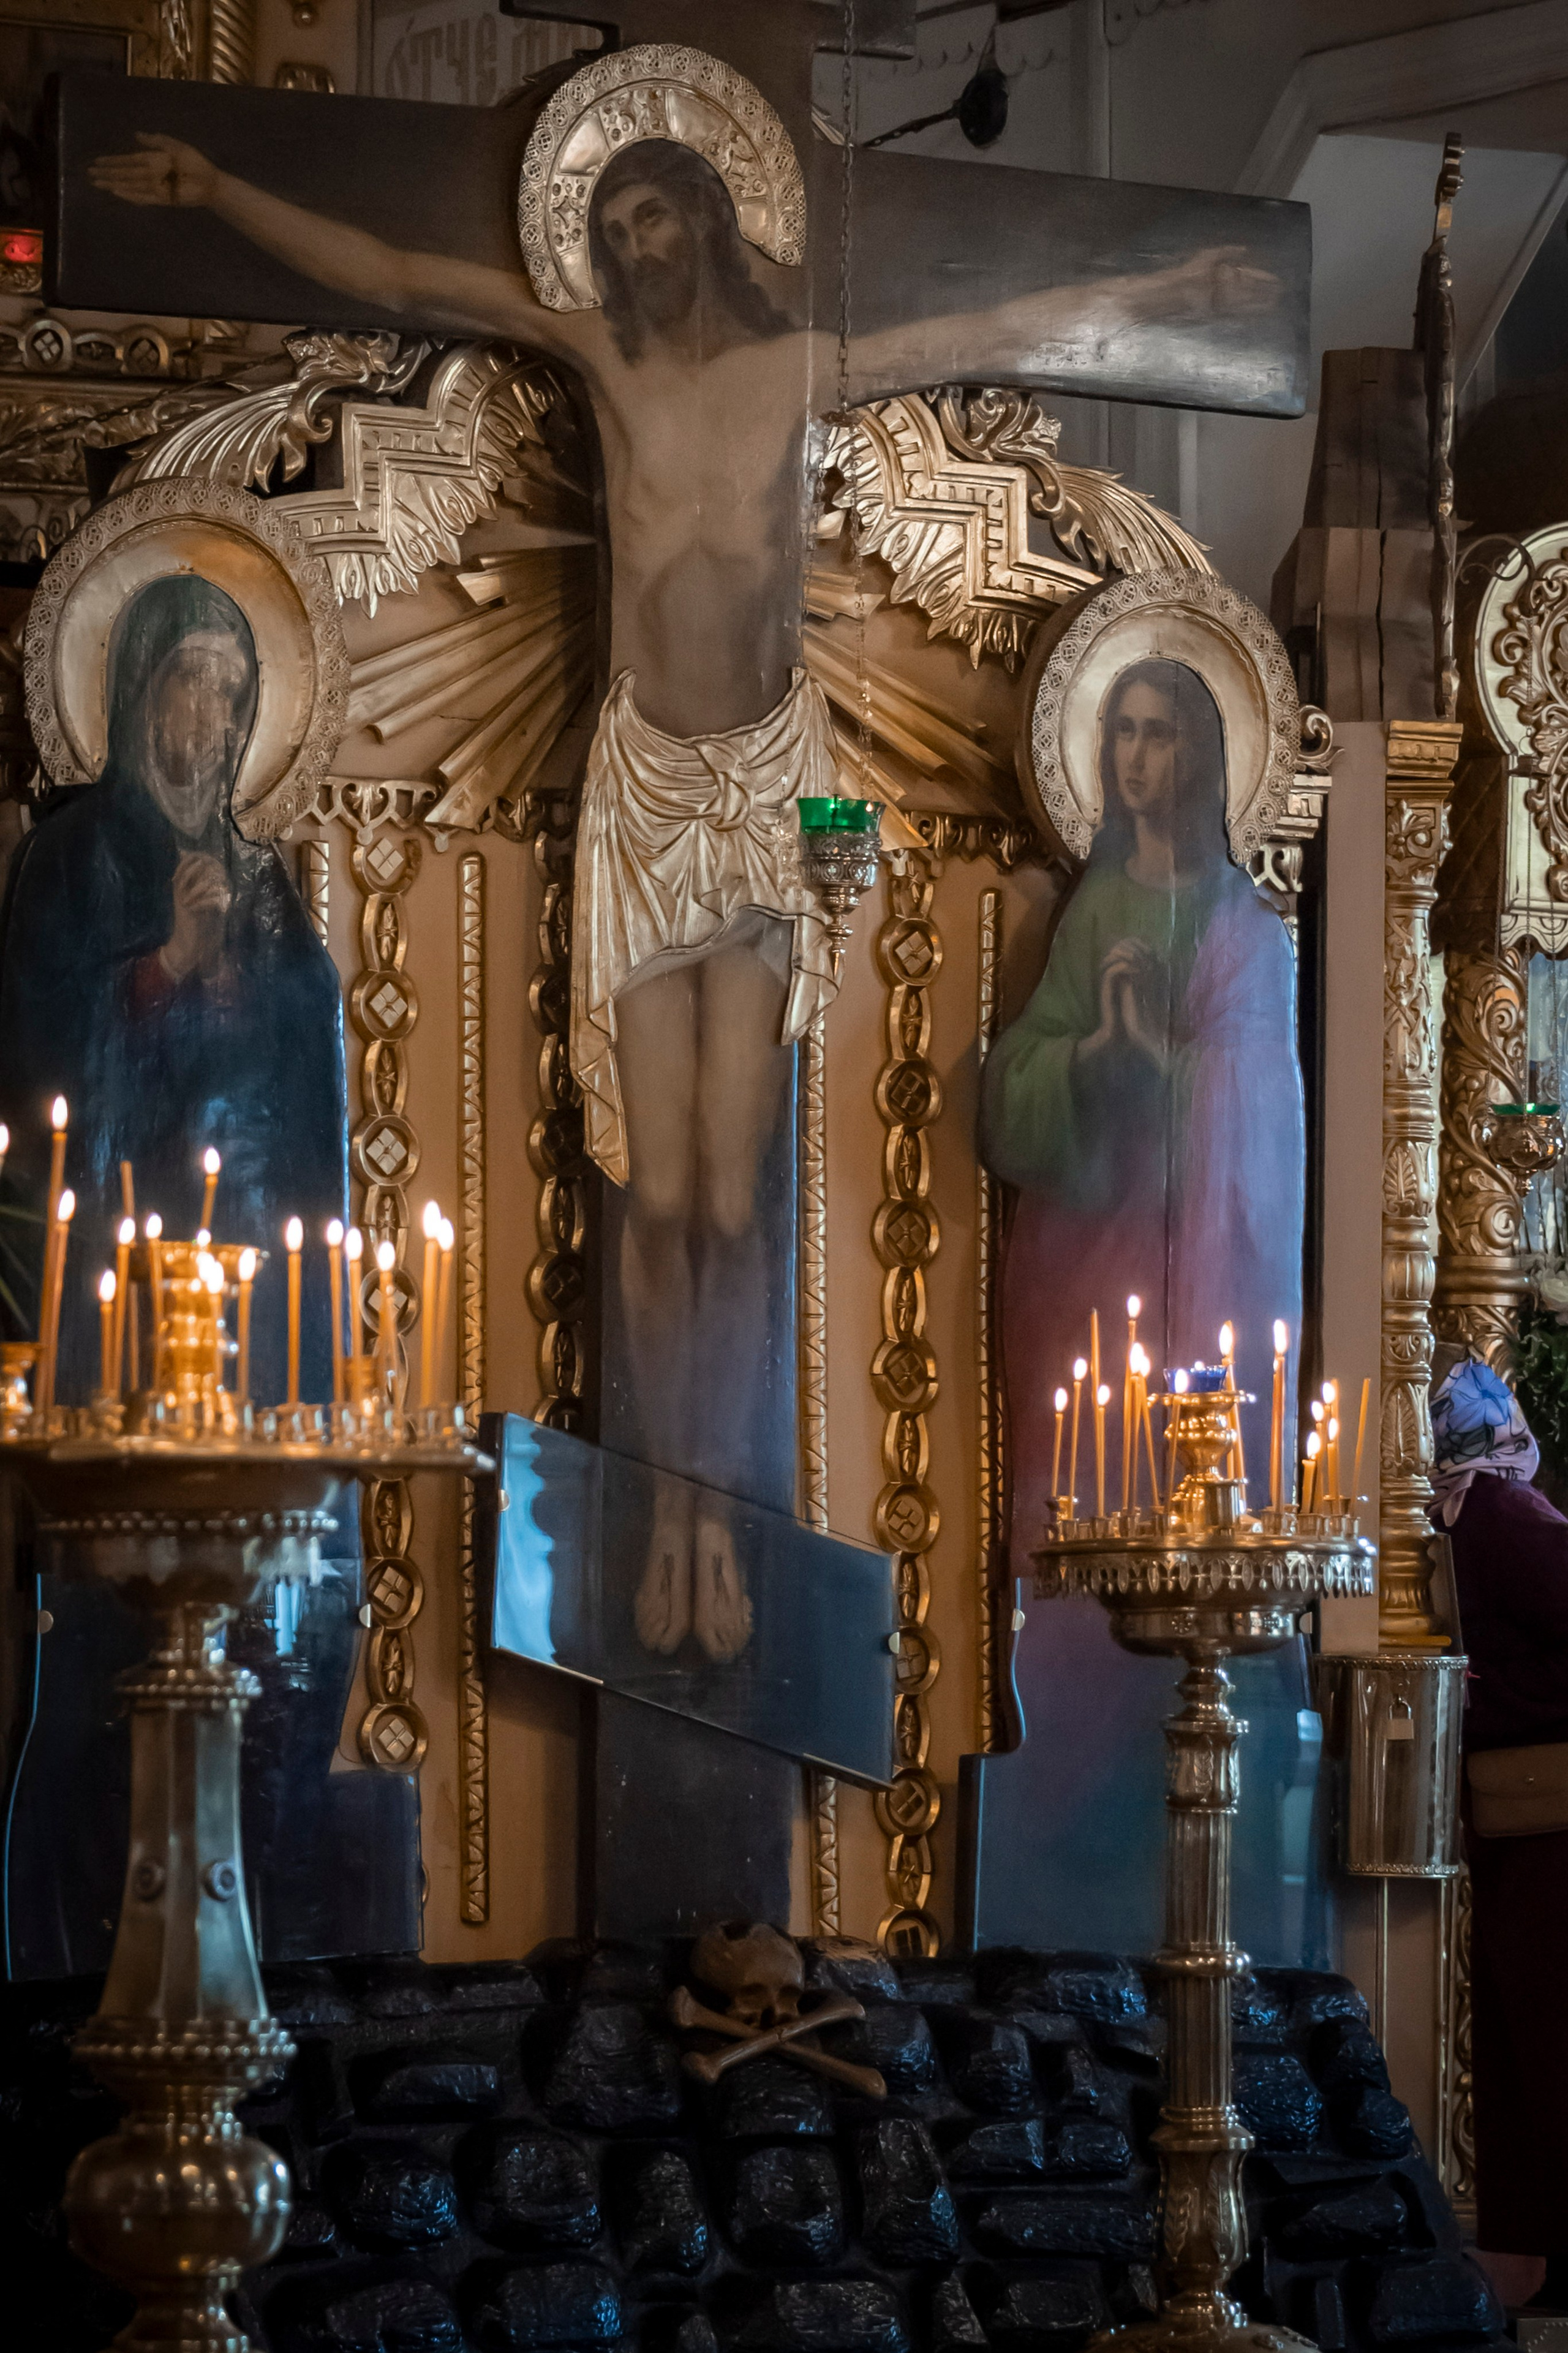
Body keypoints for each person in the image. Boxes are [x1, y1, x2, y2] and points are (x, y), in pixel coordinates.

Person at [88, 115, 1277, 1585]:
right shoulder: (597, 358)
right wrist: (217, 181)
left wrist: (1173, 291)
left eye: (661, 225)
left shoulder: (796, 369)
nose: (640, 253)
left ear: (714, 229)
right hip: (645, 785)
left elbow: (1000, 320)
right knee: (654, 1182)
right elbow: (402, 272)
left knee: (734, 1190)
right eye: (620, 232)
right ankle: (668, 1511)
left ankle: (723, 1509)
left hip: (775, 789)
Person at [0, 571, 347, 1403]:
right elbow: (37, 1058)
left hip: (250, 1268)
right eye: (195, 680)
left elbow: (309, 1087)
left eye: (235, 691)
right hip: (112, 1262)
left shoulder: (265, 884)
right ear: (139, 693)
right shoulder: (69, 858)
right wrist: (167, 968)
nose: (219, 717)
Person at [1431, 1355, 1568, 2310]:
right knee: (1537, 2046)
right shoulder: (1504, 1514)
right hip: (1542, 1824)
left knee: (1532, 2047)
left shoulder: (1472, 1515)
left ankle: (1532, 2267)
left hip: (1532, 1821)